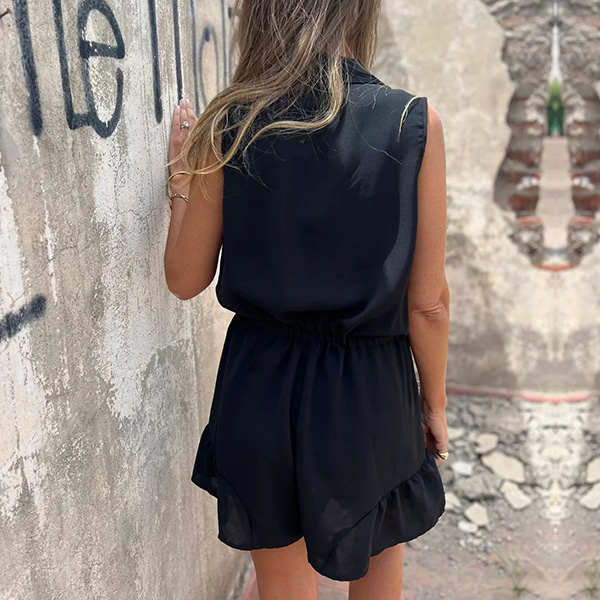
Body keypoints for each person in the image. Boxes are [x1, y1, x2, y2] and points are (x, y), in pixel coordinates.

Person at [163, 0, 450, 597]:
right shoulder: (412, 121)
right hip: (370, 389)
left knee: (281, 574)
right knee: (379, 547)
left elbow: (185, 278)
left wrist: (182, 181)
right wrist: (435, 405)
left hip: (259, 381)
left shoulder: (231, 121)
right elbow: (428, 304)